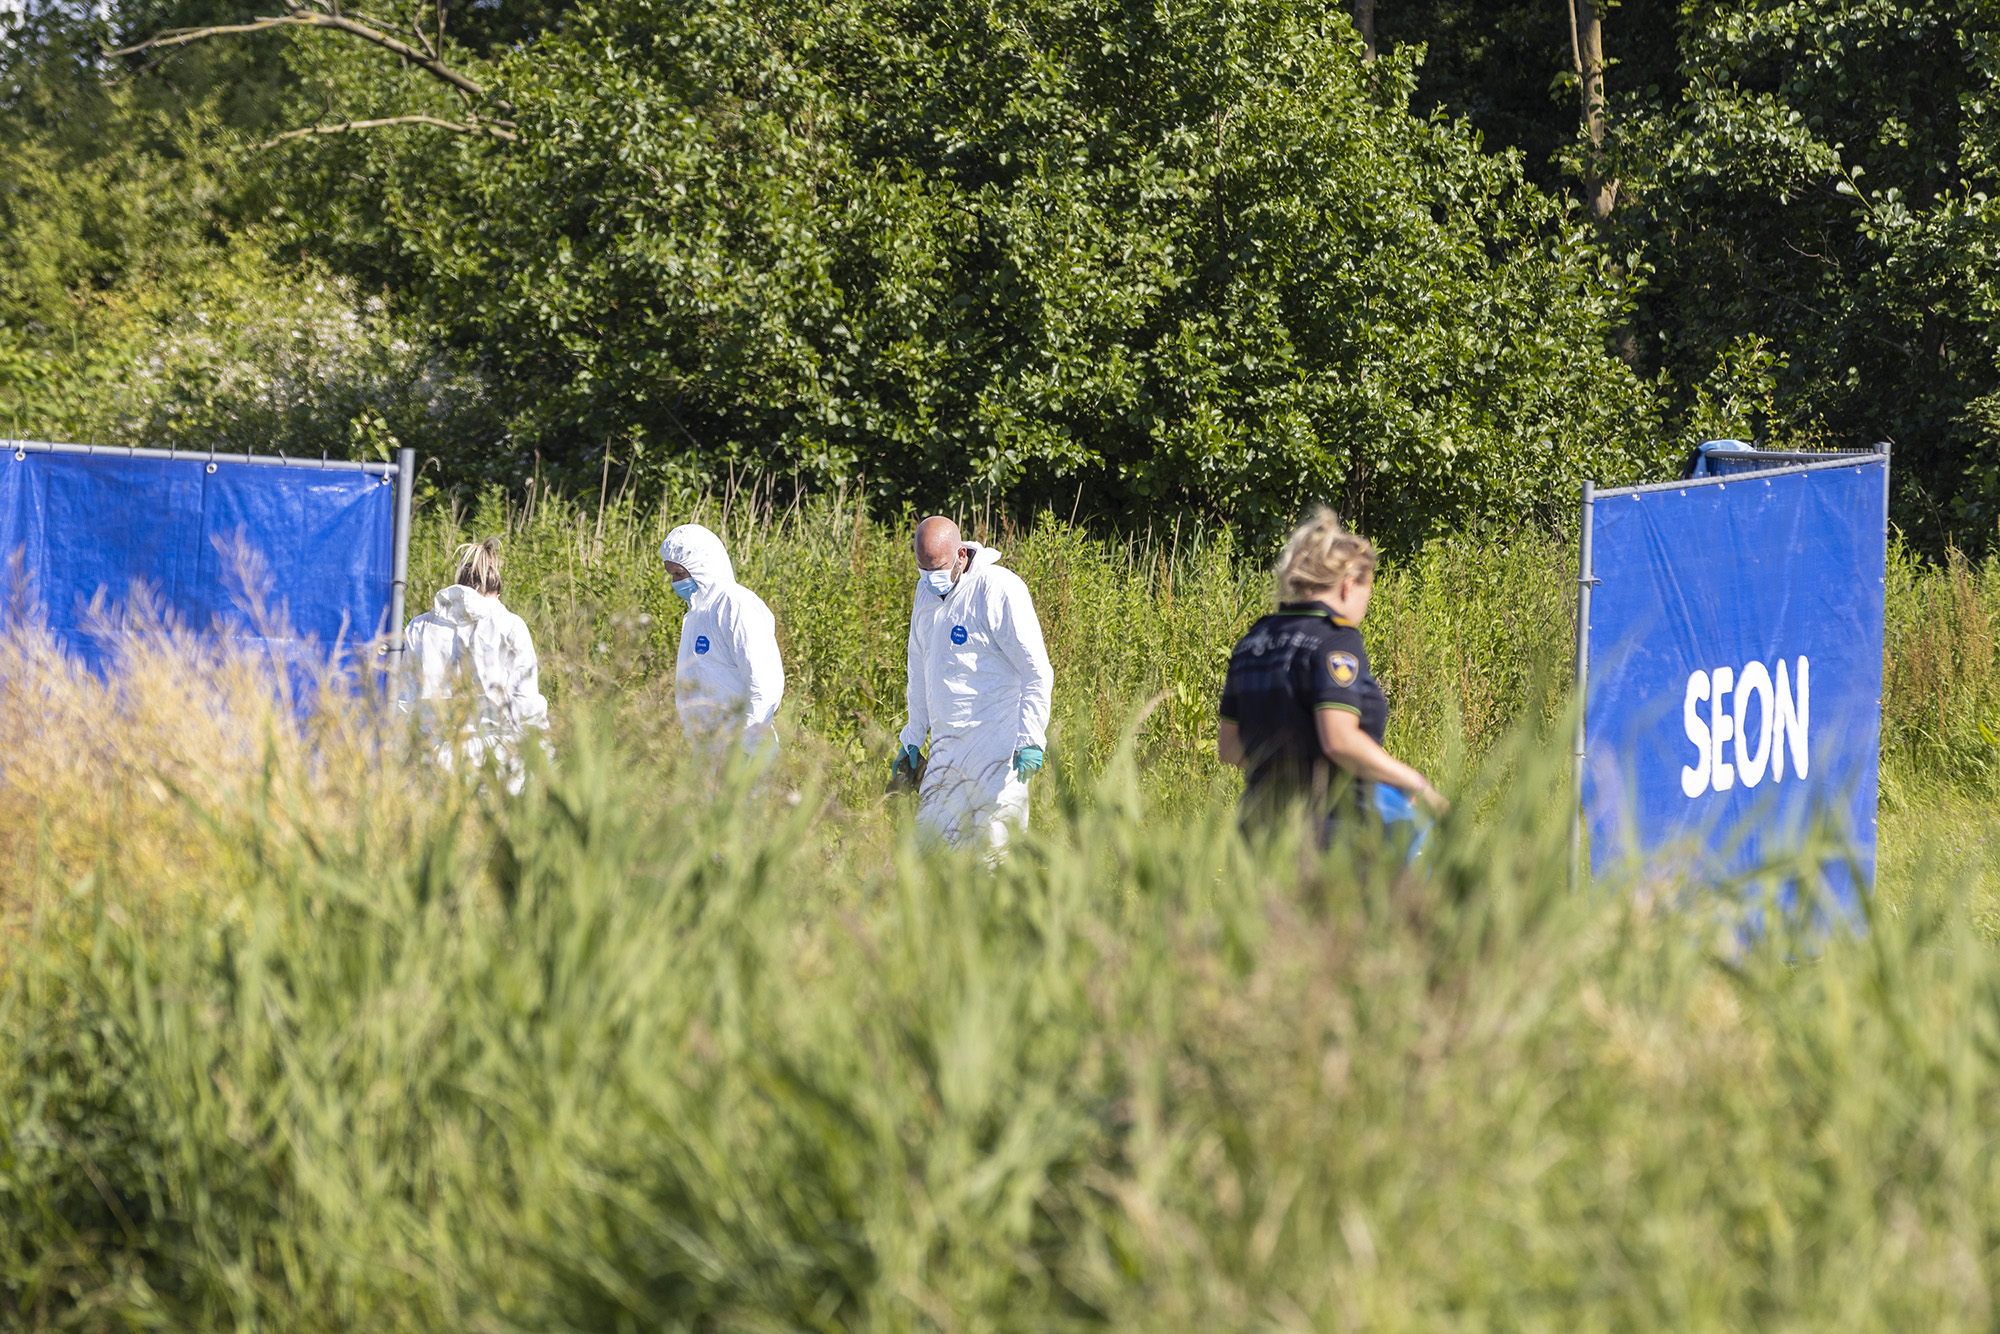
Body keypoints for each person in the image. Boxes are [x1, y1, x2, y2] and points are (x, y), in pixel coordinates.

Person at [1217, 508, 1443, 845]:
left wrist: (1287, 767)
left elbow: (1230, 747)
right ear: (1349, 584)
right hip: (1332, 832)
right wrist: (1416, 785)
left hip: (1260, 828)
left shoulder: (1253, 640)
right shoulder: (1337, 639)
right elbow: (1339, 740)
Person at [895, 515, 1054, 855]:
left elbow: (1036, 671)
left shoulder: (998, 589)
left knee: (993, 863)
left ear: (962, 555)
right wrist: (912, 738)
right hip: (945, 752)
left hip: (996, 754)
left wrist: (1030, 739)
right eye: (923, 570)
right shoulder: (925, 594)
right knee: (924, 858)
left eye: (937, 569)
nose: (930, 579)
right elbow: (919, 673)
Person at [401, 536, 550, 789]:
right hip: (500, 759)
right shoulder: (511, 626)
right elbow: (526, 703)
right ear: (497, 591)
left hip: (435, 758)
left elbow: (405, 703)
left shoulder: (419, 626)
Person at [659, 523, 785, 757]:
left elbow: (764, 684)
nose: (675, 582)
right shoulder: (698, 614)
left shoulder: (735, 606)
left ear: (701, 567)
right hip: (709, 752)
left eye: (679, 574)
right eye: (672, 575)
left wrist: (745, 744)